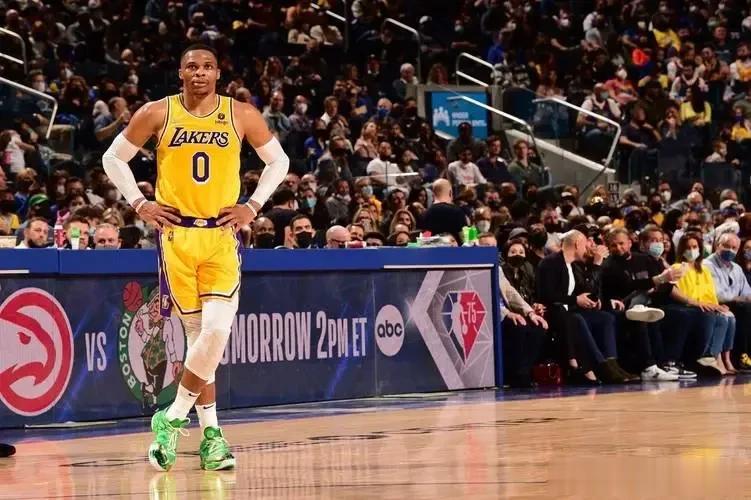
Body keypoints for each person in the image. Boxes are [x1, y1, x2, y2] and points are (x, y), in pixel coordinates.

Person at [101, 44, 288, 472]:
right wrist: (139, 203)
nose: (200, 72)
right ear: (181, 73)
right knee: (199, 341)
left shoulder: (240, 114)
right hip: (177, 237)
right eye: (192, 66)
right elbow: (113, 158)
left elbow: (279, 161)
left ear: (218, 73)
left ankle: (170, 418)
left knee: (216, 332)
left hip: (220, 235)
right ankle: (212, 437)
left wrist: (253, 205)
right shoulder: (158, 112)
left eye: (207, 67)